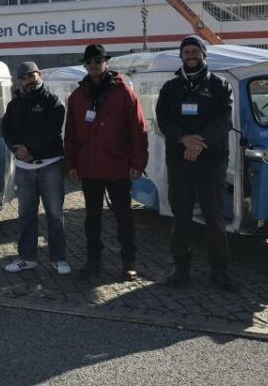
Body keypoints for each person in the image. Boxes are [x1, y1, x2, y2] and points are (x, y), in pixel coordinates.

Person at [155, 36, 237, 292]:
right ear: (181, 56)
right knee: (181, 215)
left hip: (212, 159)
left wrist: (198, 144)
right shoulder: (170, 87)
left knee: (214, 215)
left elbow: (225, 120)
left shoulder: (221, 85)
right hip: (179, 159)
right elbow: (163, 119)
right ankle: (180, 268)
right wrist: (184, 139)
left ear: (204, 55)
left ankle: (220, 270)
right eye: (186, 51)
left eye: (195, 51)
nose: (190, 55)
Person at [65, 44, 148, 281]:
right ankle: (93, 260)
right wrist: (71, 163)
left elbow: (138, 130)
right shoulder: (77, 96)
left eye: (97, 60)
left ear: (106, 63)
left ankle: (129, 262)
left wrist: (138, 163)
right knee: (92, 218)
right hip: (89, 166)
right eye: (89, 61)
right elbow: (70, 133)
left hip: (118, 166)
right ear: (85, 65)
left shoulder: (124, 93)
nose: (93, 65)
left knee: (124, 217)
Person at [2, 61, 70, 275]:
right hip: (24, 168)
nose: (27, 81)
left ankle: (59, 258)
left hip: (50, 165)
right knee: (26, 214)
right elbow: (7, 130)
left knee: (55, 215)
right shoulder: (14, 104)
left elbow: (51, 131)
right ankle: (27, 258)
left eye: (31, 76)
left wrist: (30, 150)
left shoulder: (53, 101)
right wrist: (16, 148)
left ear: (39, 75)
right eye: (23, 78)